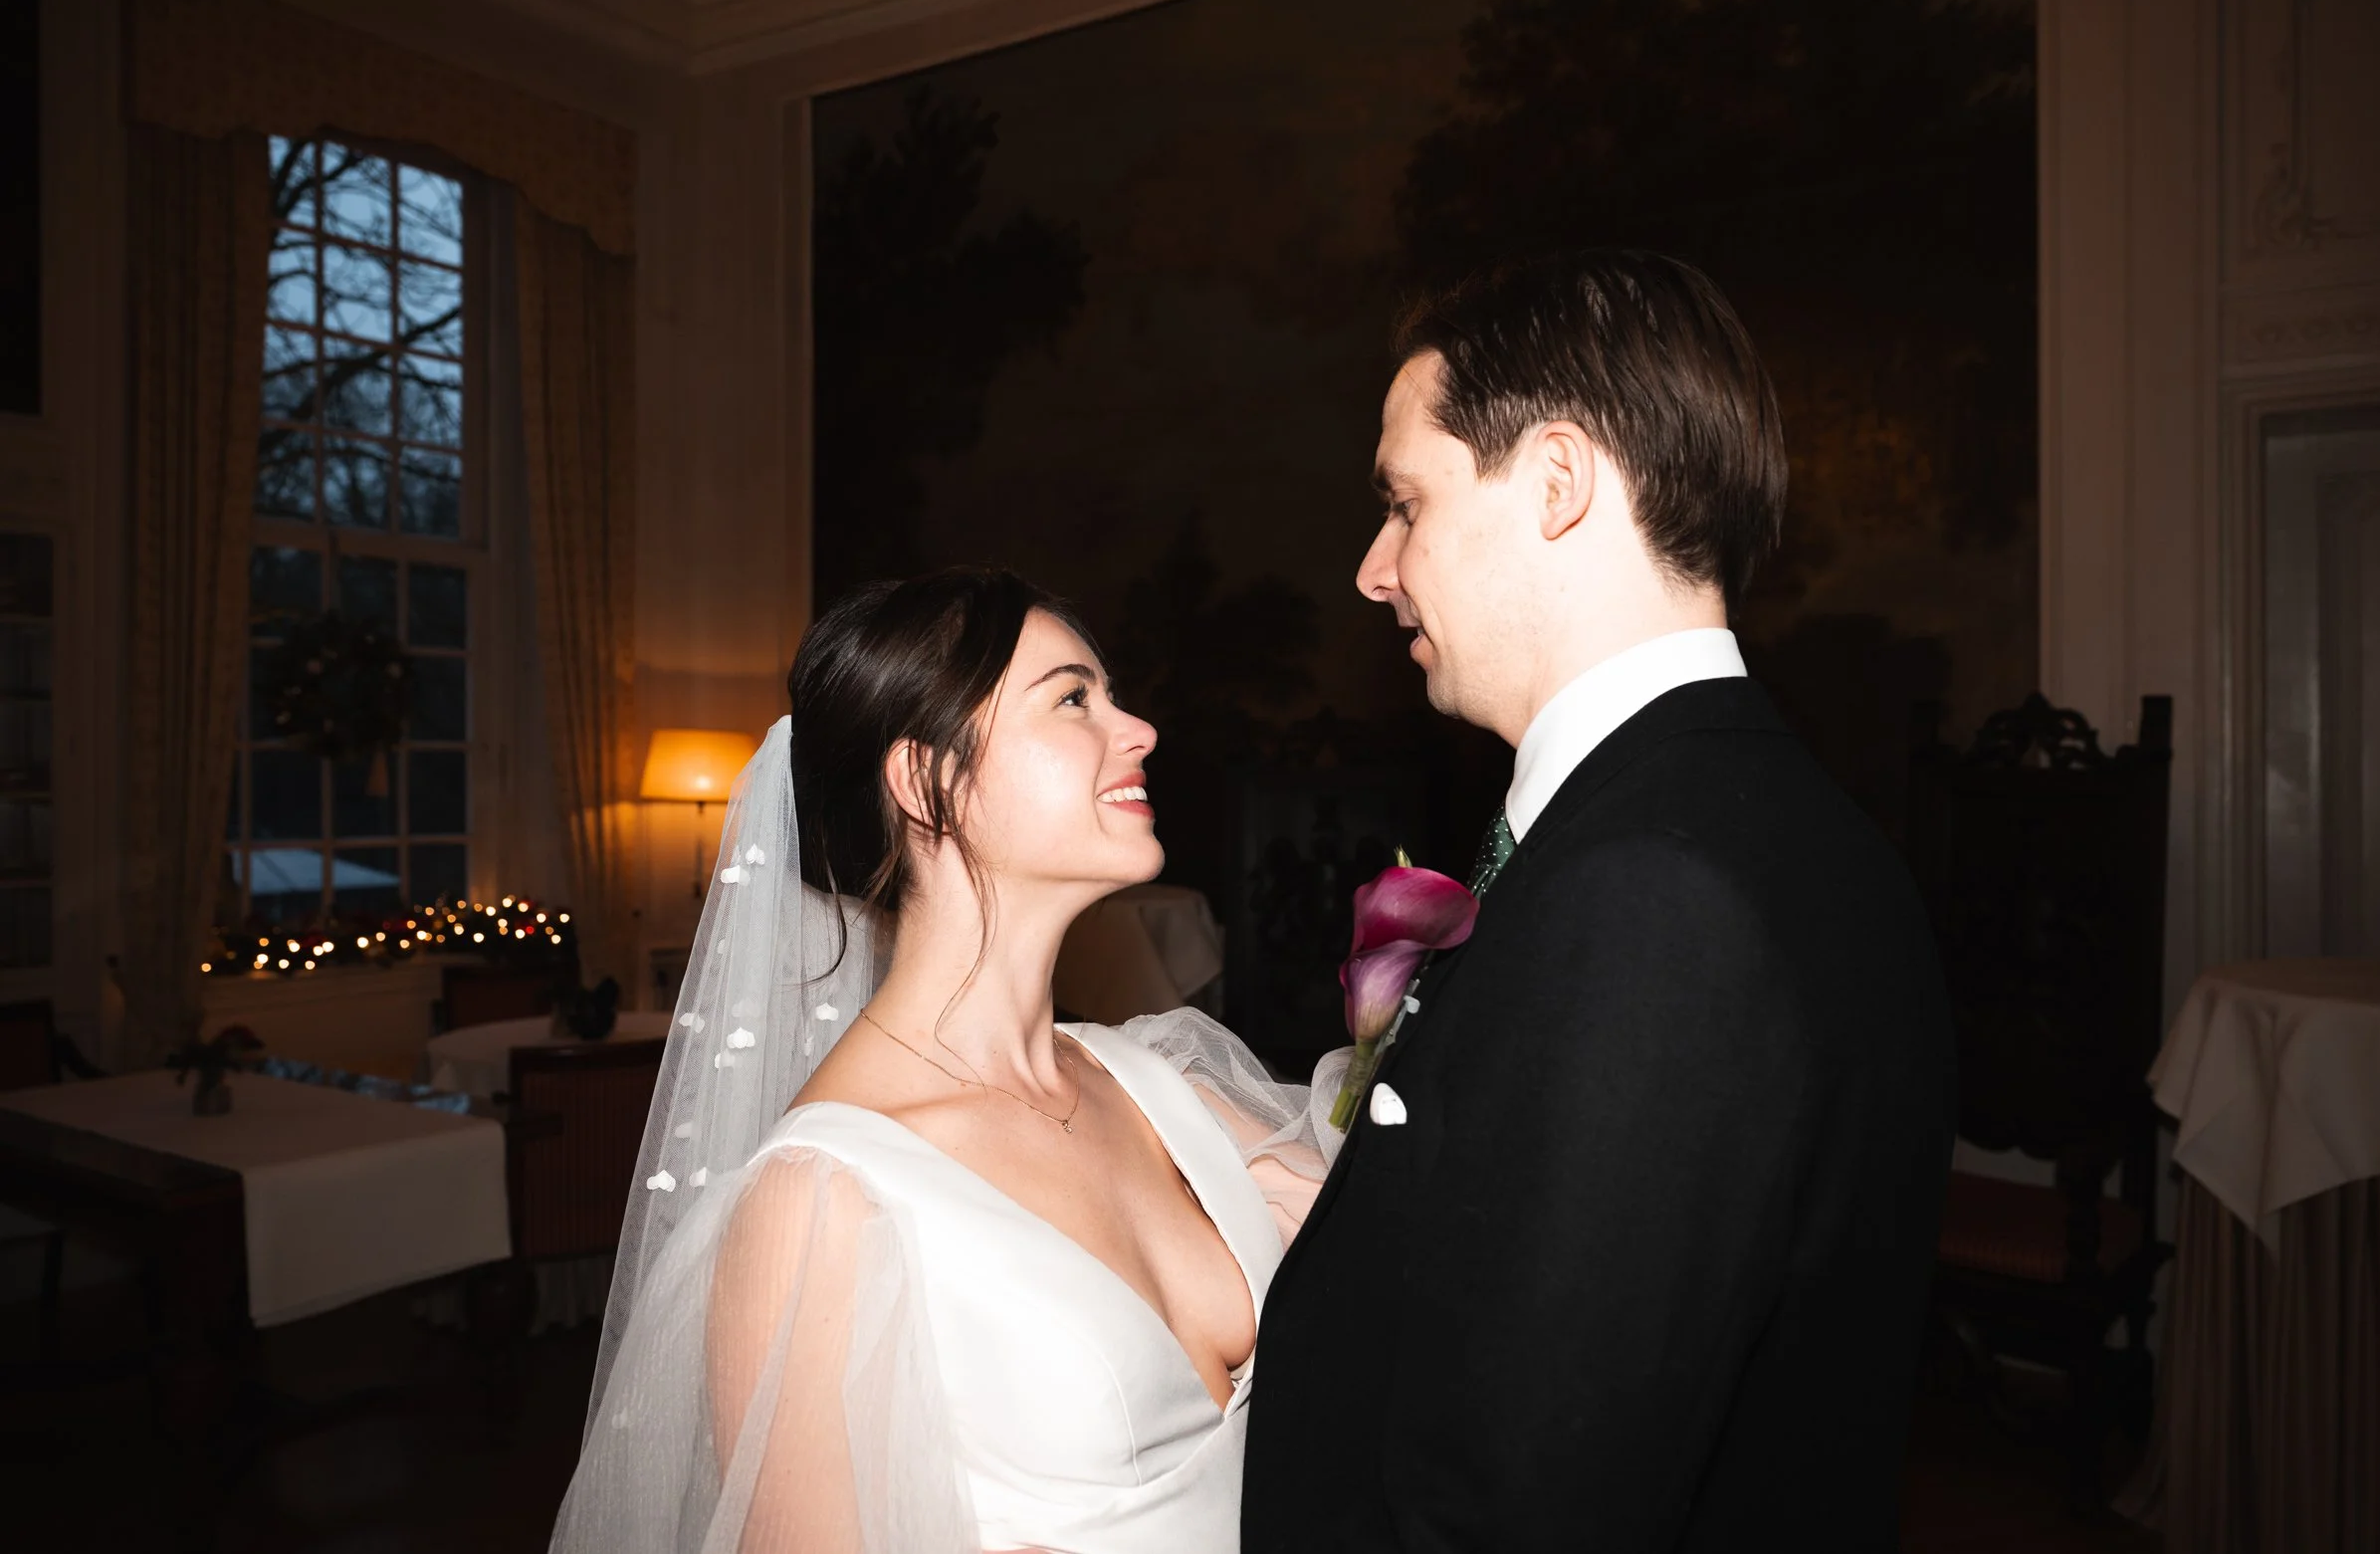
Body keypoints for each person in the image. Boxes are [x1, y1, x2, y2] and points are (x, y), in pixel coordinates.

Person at [1243, 252, 1956, 1551]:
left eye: (1406, 502)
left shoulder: (1654, 896)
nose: (1374, 567)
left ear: (1558, 482)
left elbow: (1518, 1500)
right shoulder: (1754, 819)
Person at [553, 568, 1346, 1554]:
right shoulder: (823, 1200)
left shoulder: (1158, 1083)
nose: (1137, 728)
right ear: (929, 782)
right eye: (1072, 698)